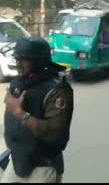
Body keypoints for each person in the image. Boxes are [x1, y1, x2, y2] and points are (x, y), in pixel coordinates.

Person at [1, 37, 74, 183]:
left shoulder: (57, 90)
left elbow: (56, 135)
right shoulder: (19, 83)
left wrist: (20, 113)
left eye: (24, 60)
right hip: (17, 161)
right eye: (17, 59)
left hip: (43, 166)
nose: (18, 65)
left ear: (38, 61)